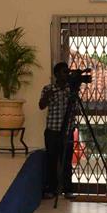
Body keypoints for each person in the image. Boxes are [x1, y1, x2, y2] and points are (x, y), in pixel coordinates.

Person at [38, 63, 71, 199]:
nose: (66, 75)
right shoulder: (48, 88)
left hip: (67, 131)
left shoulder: (71, 90)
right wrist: (48, 95)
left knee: (67, 162)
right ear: (56, 74)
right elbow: (41, 106)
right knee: (51, 160)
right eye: (64, 72)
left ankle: (68, 189)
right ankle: (51, 189)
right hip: (52, 131)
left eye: (67, 72)